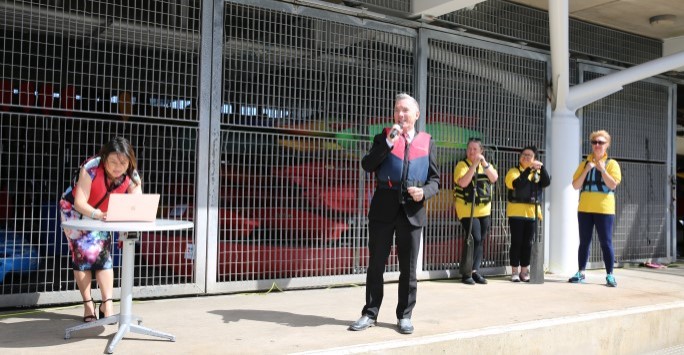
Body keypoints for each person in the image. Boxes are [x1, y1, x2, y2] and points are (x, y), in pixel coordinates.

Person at [348, 93, 440, 334]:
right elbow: (367, 165)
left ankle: (405, 315)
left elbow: (435, 181)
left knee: (408, 268)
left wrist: (424, 192)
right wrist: (388, 144)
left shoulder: (427, 142)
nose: (401, 114)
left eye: (406, 110)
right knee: (376, 264)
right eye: (398, 110)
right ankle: (370, 313)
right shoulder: (383, 137)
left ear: (416, 115)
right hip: (383, 209)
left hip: (412, 210)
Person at [59, 137, 142, 322]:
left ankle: (108, 303)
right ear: (104, 158)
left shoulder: (131, 175)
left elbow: (137, 201)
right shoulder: (91, 168)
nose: (117, 167)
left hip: (104, 214)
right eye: (113, 161)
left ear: (130, 161)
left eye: (123, 162)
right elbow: (80, 202)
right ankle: (88, 305)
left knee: (103, 256)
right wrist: (98, 215)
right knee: (83, 257)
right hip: (75, 211)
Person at [568, 130, 621, 287]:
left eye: (601, 142)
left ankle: (610, 274)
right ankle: (581, 272)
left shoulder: (612, 164)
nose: (597, 145)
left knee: (606, 242)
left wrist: (602, 169)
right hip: (585, 208)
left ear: (607, 145)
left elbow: (613, 185)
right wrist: (587, 169)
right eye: (594, 142)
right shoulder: (585, 163)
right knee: (584, 242)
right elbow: (575, 185)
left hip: (604, 210)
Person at [453, 137, 498, 285]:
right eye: (469, 149)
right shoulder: (462, 165)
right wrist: (473, 166)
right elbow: (463, 182)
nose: (471, 152)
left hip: (484, 209)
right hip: (467, 209)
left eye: (475, 149)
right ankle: (466, 273)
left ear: (481, 151)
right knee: (474, 238)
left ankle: (475, 271)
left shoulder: (485, 165)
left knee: (481, 240)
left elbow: (494, 178)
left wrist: (483, 163)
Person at [505, 146, 551, 282]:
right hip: (516, 213)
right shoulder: (513, 171)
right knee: (516, 242)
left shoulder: (536, 173)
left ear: (534, 158)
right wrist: (528, 170)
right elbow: (517, 184)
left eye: (529, 155)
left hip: (532, 213)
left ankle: (524, 272)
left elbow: (546, 182)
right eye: (524, 155)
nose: (526, 157)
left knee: (528, 243)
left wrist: (542, 169)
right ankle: (514, 271)